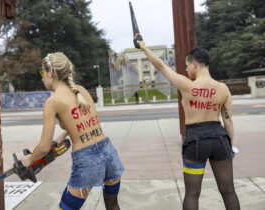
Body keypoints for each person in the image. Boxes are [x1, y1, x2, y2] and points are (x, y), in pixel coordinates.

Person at [138, 41, 240, 210]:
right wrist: (230, 146)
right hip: (219, 138)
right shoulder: (223, 89)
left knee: (192, 193)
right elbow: (228, 121)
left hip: (195, 140)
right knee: (229, 191)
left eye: (187, 66)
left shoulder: (187, 86)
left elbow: (160, 65)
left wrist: (143, 46)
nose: (186, 70)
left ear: (194, 64)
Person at [20, 52, 124, 210]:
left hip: (87, 160)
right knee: (113, 206)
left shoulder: (52, 101)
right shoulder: (81, 90)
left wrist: (29, 160)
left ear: (51, 72)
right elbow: (86, 119)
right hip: (108, 151)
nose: (41, 77)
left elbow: (43, 148)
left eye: (42, 72)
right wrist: (64, 133)